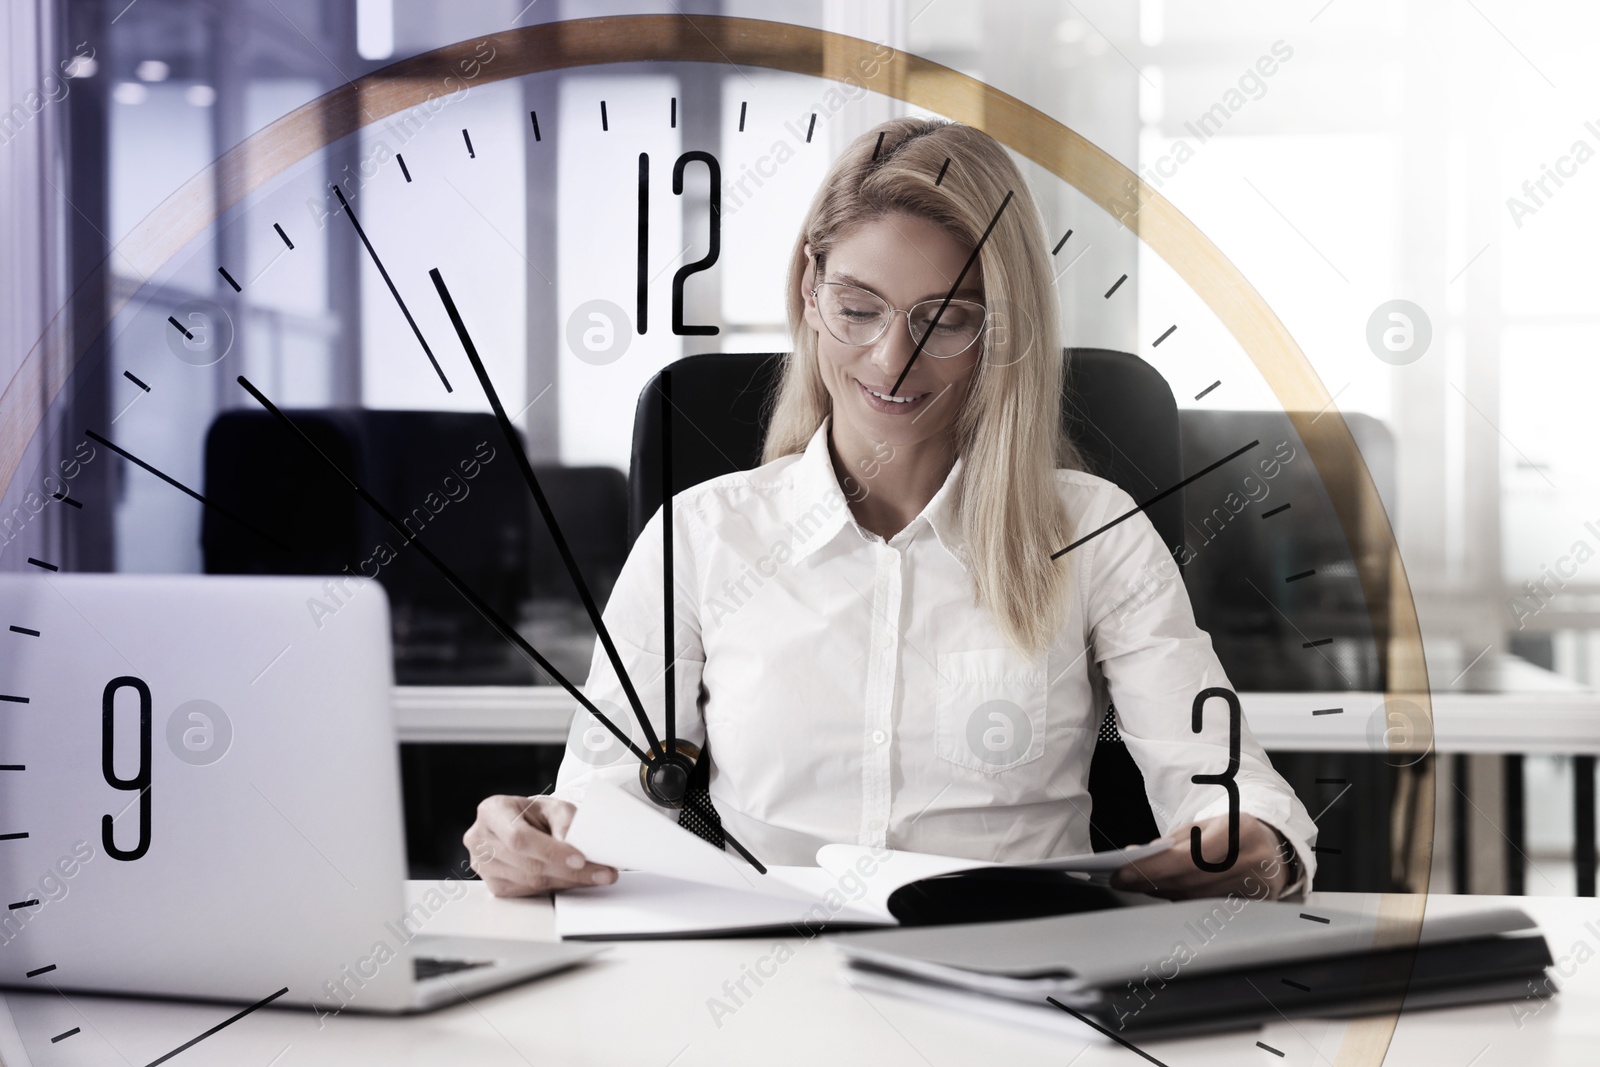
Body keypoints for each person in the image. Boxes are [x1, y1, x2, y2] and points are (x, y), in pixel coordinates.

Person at [465, 116, 1314, 901]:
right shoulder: (700, 535)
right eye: (859, 309)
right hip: (756, 983)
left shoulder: (1094, 533)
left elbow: (1223, 783)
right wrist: (536, 835)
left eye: (945, 320)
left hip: (1012, 981)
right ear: (810, 290)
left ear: (1002, 330)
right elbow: (606, 795)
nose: (892, 360)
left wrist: (1255, 845)